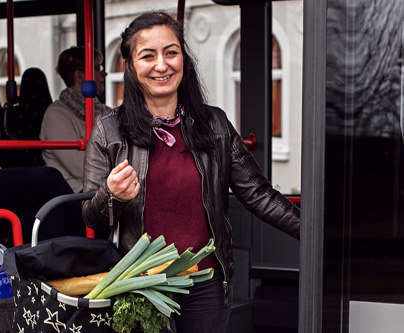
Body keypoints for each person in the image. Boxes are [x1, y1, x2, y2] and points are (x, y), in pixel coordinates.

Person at [81, 12, 300, 333]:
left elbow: (259, 195)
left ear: (184, 58)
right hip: (140, 284)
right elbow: (90, 217)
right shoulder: (108, 129)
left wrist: (313, 233)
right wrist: (110, 196)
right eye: (147, 56)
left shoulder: (215, 125)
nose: (162, 65)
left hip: (205, 282)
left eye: (171, 52)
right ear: (129, 66)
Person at [40, 46, 109, 194]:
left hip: (99, 190)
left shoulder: (103, 110)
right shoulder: (56, 115)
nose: (104, 73)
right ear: (79, 77)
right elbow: (83, 167)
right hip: (73, 196)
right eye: (98, 68)